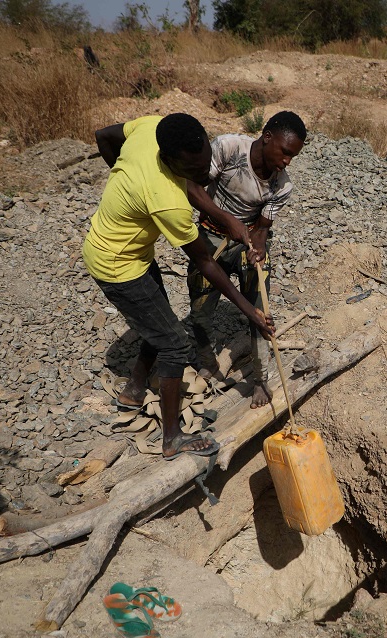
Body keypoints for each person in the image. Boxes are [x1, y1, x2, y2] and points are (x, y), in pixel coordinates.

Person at [83, 113, 274, 459]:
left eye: (206, 167)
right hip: (117, 265)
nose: (205, 176)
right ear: (172, 163)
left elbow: (104, 135)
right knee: (173, 343)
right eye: (196, 172)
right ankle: (172, 439)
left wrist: (123, 181)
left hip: (129, 250)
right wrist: (252, 311)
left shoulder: (152, 129)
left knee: (159, 321)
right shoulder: (167, 202)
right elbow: (205, 263)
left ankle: (135, 389)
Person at [185, 111, 307, 409]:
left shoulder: (282, 185)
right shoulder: (228, 148)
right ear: (267, 137)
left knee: (260, 313)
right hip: (209, 236)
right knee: (200, 313)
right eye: (285, 152)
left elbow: (263, 228)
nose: (287, 161)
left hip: (246, 242)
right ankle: (207, 363)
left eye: (293, 156)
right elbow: (193, 188)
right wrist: (228, 220)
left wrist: (258, 248)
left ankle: (261, 379)